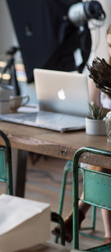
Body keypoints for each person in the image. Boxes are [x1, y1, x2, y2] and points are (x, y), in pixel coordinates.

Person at [52, 24, 111, 244]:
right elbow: (93, 110)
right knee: (101, 160)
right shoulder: (102, 74)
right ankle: (107, 235)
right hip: (101, 140)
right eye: (109, 45)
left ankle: (75, 218)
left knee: (104, 163)